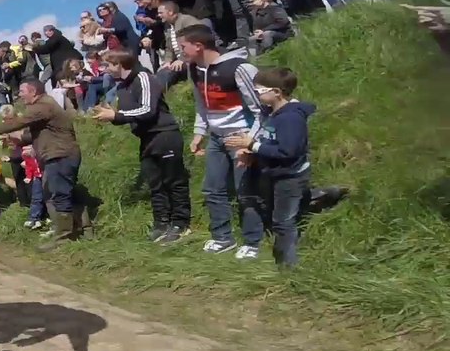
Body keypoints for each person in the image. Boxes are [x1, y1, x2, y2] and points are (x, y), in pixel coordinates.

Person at [178, 24, 262, 255]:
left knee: (245, 190)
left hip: (241, 137)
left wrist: (250, 142)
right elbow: (201, 104)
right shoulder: (194, 69)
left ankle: (253, 242)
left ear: (198, 46)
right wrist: (199, 133)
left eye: (182, 47)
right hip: (216, 137)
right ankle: (223, 238)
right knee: (212, 189)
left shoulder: (239, 68)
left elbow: (260, 109)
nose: (180, 52)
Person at [91, 50, 192, 243]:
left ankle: (180, 224)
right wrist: (113, 114)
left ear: (120, 64)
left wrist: (116, 116)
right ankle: (161, 223)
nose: (106, 69)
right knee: (155, 183)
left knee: (174, 181)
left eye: (108, 65)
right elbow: (131, 113)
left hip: (164, 134)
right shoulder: (122, 87)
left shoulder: (143, 77)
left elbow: (148, 109)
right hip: (146, 139)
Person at [222, 67, 315, 266]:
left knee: (283, 223)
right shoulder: (272, 113)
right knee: (282, 216)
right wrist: (252, 152)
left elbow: (287, 152)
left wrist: (251, 145)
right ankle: (317, 197)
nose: (256, 95)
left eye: (259, 91)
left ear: (277, 92)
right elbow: (268, 141)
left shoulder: (290, 118)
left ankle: (288, 267)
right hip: (276, 174)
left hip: (290, 176)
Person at [0, 79, 85, 250]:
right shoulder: (45, 107)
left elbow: (19, 122)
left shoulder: (42, 105)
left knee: (59, 195)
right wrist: (15, 138)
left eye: (22, 91)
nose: (20, 95)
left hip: (60, 155)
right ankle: (83, 230)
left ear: (34, 91)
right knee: (62, 193)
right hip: (58, 155)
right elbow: (32, 135)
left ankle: (64, 238)